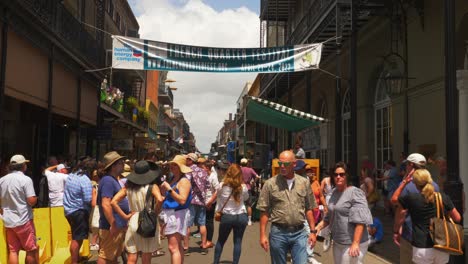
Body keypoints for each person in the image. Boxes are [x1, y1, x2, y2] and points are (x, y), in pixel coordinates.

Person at [257, 150, 317, 264]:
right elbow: (264, 211)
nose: (282, 167)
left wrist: (313, 232)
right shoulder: (270, 184)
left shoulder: (304, 183)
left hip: (299, 233)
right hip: (278, 233)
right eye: (280, 163)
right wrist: (262, 235)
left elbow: (309, 208)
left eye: (286, 164)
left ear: (294, 164)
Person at [393, 169, 461, 264]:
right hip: (441, 245)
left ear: (415, 183)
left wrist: (404, 182)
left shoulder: (412, 198)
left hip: (422, 245)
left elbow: (394, 199)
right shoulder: (442, 197)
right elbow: (457, 218)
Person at [315, 162, 373, 264]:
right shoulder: (334, 192)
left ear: (347, 176)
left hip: (352, 242)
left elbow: (361, 221)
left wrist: (355, 243)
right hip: (338, 241)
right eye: (336, 174)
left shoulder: (355, 192)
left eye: (342, 174)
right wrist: (317, 228)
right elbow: (329, 217)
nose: (338, 177)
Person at [111, 160, 164, 264]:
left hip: (133, 220)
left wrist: (125, 216)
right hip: (147, 222)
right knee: (146, 255)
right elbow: (160, 200)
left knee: (132, 255)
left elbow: (113, 202)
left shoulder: (128, 187)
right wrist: (155, 212)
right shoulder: (152, 187)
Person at [0, 154, 38, 264]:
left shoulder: (2, 180)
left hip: (8, 221)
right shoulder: (26, 180)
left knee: (13, 251)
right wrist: (35, 199)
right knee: (30, 250)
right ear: (23, 166)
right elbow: (31, 201)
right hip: (24, 220)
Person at [97, 151, 130, 264]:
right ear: (113, 166)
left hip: (117, 225)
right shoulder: (108, 181)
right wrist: (113, 223)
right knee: (106, 255)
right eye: (121, 162)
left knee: (113, 256)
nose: (123, 164)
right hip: (110, 226)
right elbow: (106, 203)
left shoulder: (112, 180)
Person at [159, 155, 193, 264]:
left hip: (177, 214)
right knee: (177, 246)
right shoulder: (174, 178)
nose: (172, 166)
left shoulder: (183, 181)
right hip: (173, 214)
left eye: (175, 165)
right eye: (172, 164)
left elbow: (182, 200)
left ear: (180, 167)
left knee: (173, 247)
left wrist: (169, 190)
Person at [213, 164, 249, 264]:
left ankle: (216, 262)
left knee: (221, 241)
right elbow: (246, 198)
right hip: (241, 215)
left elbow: (218, 197)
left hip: (227, 216)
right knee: (238, 242)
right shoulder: (243, 187)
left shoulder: (222, 185)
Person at [63, 158, 94, 264]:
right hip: (79, 211)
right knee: (77, 238)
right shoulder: (84, 179)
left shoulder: (72, 175)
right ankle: (74, 261)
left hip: (69, 210)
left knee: (76, 236)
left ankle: (75, 258)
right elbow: (88, 199)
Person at [185, 153, 209, 254]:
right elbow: (207, 186)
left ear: (191, 160)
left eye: (187, 159)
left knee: (187, 225)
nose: (185, 161)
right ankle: (203, 246)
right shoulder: (203, 172)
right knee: (202, 224)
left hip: (190, 200)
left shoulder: (188, 171)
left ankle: (186, 247)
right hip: (201, 200)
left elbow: (185, 185)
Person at [202, 160, 220, 249]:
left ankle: (209, 240)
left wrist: (210, 202)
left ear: (207, 168)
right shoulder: (204, 176)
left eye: (203, 168)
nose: (202, 169)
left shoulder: (213, 176)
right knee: (203, 221)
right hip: (204, 201)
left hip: (210, 202)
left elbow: (217, 190)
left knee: (209, 221)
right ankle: (204, 240)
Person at [240, 158, 260, 226]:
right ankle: (249, 221)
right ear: (247, 163)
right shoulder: (250, 169)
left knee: (239, 203)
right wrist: (254, 182)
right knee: (249, 205)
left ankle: (241, 219)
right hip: (248, 187)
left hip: (239, 187)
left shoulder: (239, 169)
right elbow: (257, 176)